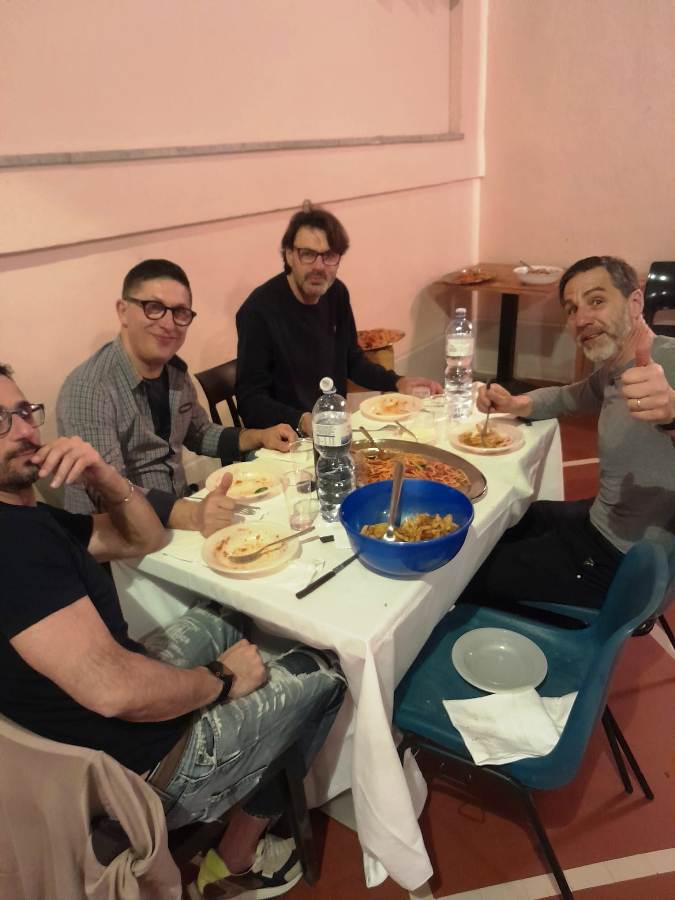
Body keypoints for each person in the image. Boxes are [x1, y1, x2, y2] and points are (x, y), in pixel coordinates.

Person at [0, 362, 346, 899]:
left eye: (23, 411)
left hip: (81, 751)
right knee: (326, 666)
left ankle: (254, 746)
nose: (25, 429)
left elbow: (142, 539)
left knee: (231, 615)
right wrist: (221, 681)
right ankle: (233, 860)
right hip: (138, 772)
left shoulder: (31, 521)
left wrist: (107, 479)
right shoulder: (16, 546)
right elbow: (115, 691)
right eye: (1, 421)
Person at [460, 255, 675, 613]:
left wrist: (672, 414)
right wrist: (515, 403)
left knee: (462, 573)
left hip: (621, 563)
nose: (582, 319)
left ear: (635, 302)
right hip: (599, 521)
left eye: (597, 301)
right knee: (508, 520)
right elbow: (568, 395)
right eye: (572, 309)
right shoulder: (614, 370)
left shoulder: (667, 362)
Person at [57, 259, 297, 536]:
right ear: (123, 311)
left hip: (173, 520)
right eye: (154, 308)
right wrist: (192, 514)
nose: (168, 323)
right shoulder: (90, 389)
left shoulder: (175, 373)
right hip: (121, 538)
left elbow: (199, 433)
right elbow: (108, 491)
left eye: (180, 312)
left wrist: (260, 436)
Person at [235, 203, 442, 433]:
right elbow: (250, 401)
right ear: (289, 255)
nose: (319, 266)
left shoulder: (336, 293)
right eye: (308, 254)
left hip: (335, 431)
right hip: (286, 440)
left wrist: (397, 382)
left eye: (329, 256)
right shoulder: (258, 311)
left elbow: (352, 361)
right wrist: (301, 420)